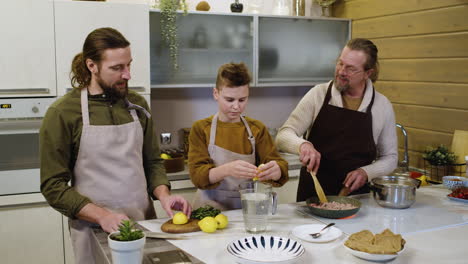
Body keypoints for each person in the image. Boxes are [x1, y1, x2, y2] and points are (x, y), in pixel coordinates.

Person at [39, 27, 191, 264]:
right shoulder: (63, 113)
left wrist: (164, 195)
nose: (127, 74)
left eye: (129, 65)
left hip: (142, 225)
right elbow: (52, 185)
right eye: (117, 68)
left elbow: (152, 162)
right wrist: (102, 216)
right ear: (92, 66)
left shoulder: (138, 106)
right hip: (93, 231)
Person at [276, 38, 397, 201]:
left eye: (350, 68)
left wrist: (366, 173)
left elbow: (390, 158)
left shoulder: (382, 106)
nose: (341, 71)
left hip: (357, 198)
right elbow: (283, 136)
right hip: (312, 195)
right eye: (340, 64)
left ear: (368, 73)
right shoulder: (318, 94)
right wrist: (303, 146)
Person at [188, 62, 289, 210]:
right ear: (216, 93)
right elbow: (197, 176)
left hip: (246, 211)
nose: (236, 106)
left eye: (242, 100)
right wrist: (226, 170)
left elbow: (279, 165)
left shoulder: (257, 129)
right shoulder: (201, 129)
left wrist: (277, 170)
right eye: (229, 100)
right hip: (208, 212)